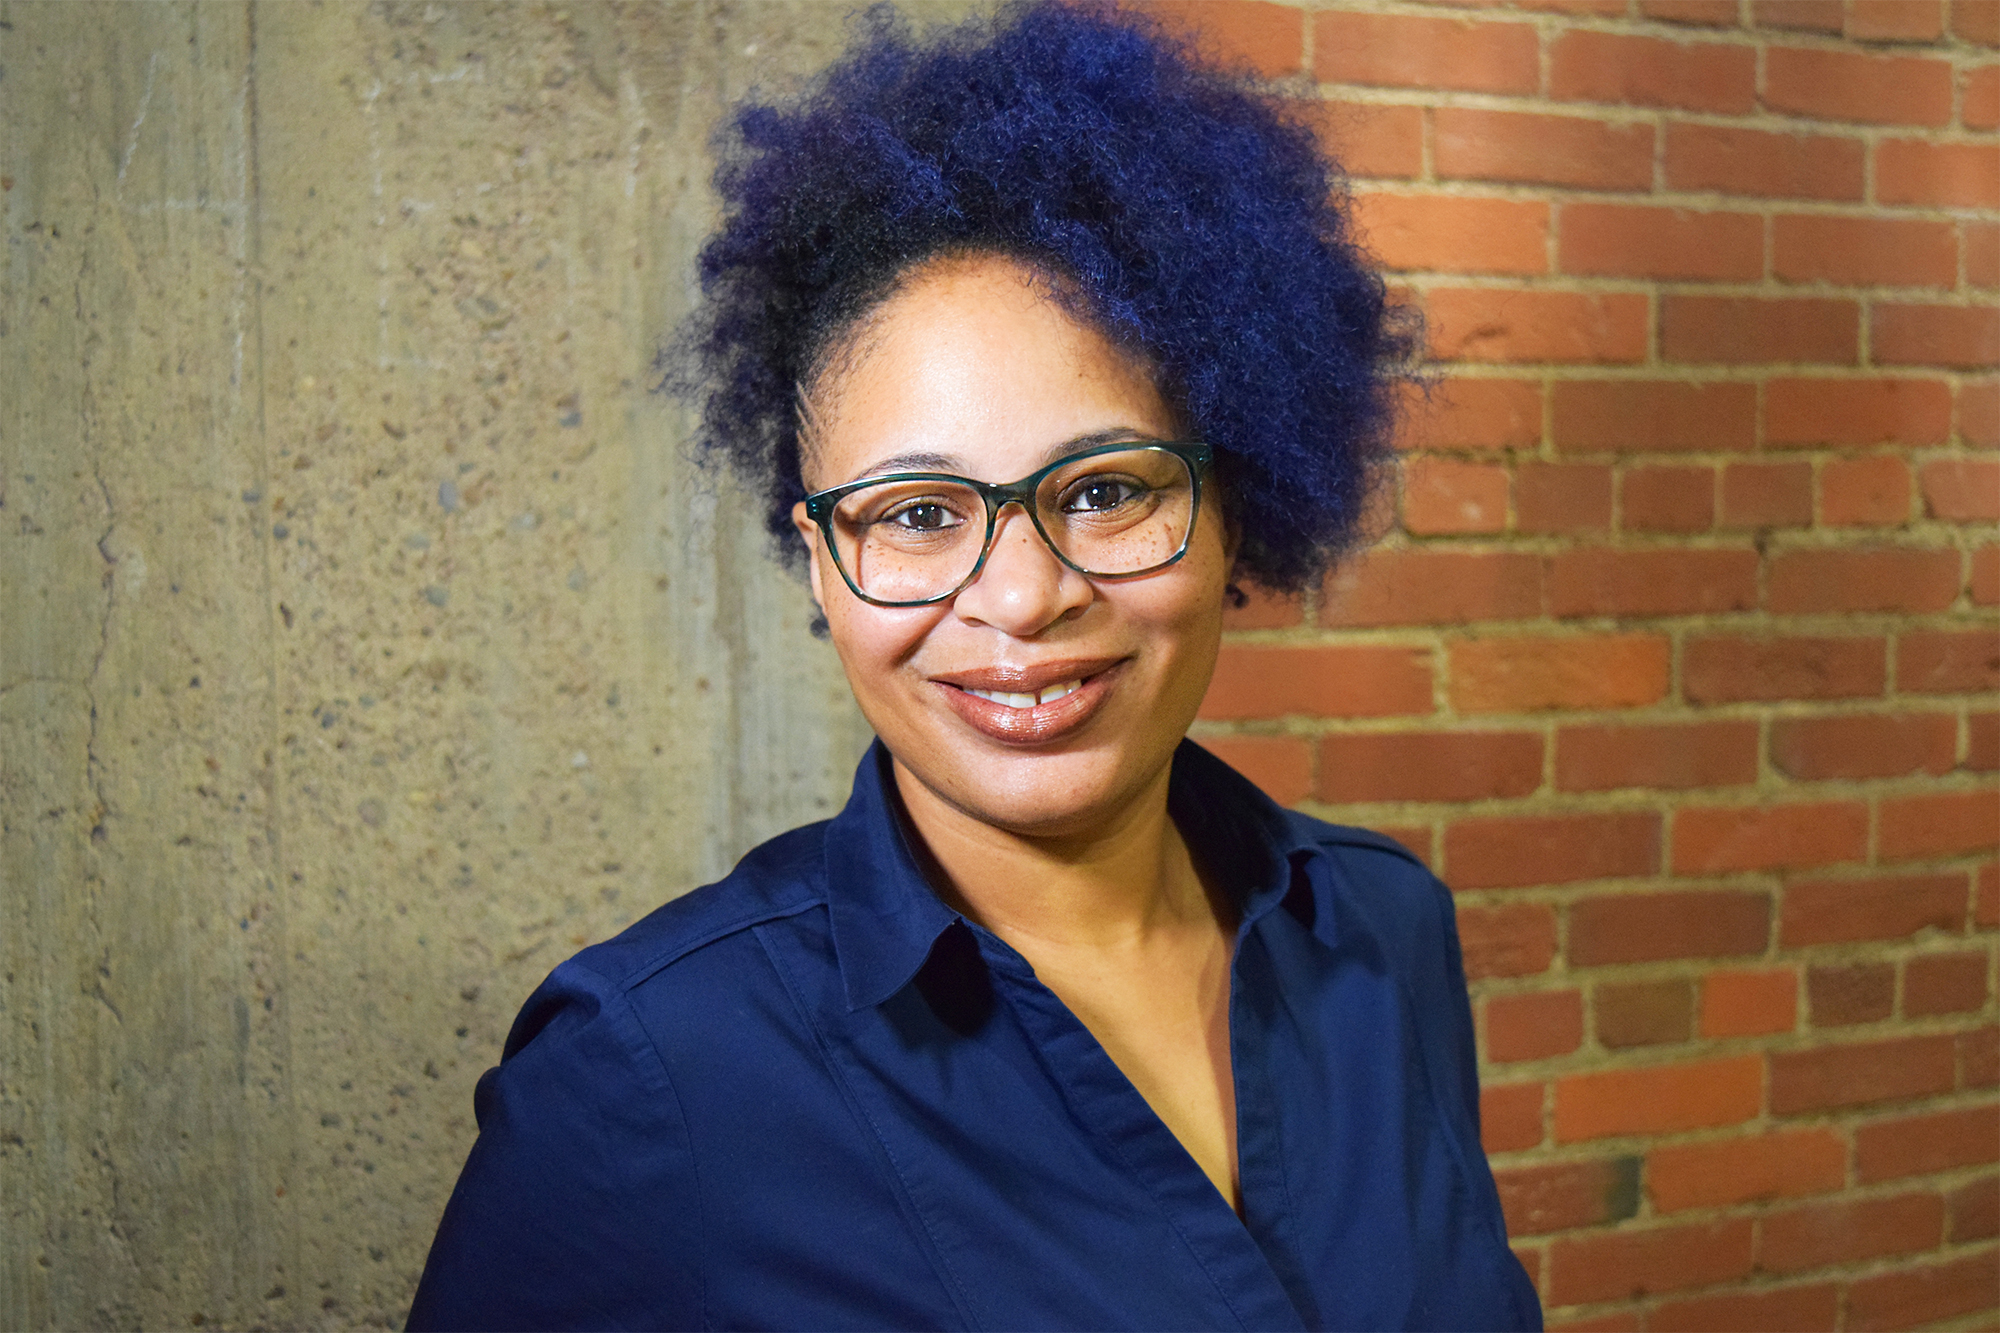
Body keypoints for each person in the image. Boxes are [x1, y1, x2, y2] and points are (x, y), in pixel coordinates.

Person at [408, 4, 1540, 1329]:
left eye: (1106, 489)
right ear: (822, 561)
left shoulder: (1381, 932)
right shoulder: (642, 1077)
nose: (1021, 595)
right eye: (917, 513)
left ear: (1235, 509)